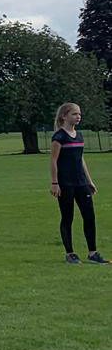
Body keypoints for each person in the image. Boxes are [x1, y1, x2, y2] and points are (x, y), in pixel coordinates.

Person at [50, 103, 104, 264]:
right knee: (67, 217)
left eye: (79, 114)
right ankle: (70, 254)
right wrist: (55, 183)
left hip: (81, 183)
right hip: (65, 184)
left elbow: (80, 159)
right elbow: (53, 160)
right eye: (74, 114)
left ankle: (93, 253)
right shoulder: (59, 137)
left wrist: (89, 181)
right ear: (64, 116)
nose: (78, 116)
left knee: (89, 216)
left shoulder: (79, 135)